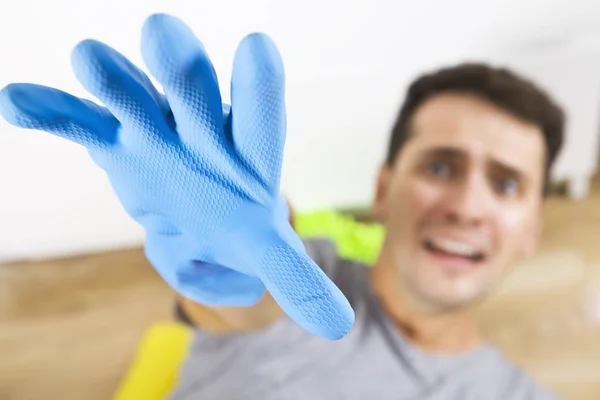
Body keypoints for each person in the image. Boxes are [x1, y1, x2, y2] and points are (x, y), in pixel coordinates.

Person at [0, 13, 564, 399]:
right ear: (383, 189)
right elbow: (253, 293)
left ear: (533, 230)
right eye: (440, 166)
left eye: (508, 184)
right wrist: (223, 255)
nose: (467, 204)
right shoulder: (301, 280)